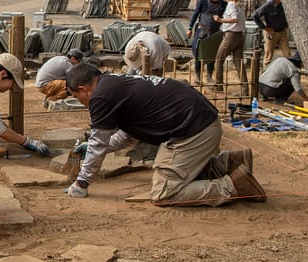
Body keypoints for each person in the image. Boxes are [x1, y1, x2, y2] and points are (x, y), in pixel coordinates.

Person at [63, 63, 266, 205]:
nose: (81, 102)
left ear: (83, 89)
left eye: (76, 97)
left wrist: (82, 183)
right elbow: (128, 135)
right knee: (182, 172)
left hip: (192, 132)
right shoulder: (113, 83)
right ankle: (230, 163)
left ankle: (234, 187)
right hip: (202, 124)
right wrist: (95, 148)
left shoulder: (100, 97)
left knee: (165, 193)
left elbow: (99, 143)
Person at [187, 0, 227, 84]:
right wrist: (190, 28)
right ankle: (197, 77)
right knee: (198, 54)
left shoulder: (223, 4)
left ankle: (209, 76)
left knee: (211, 55)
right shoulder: (203, 1)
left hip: (214, 33)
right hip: (202, 31)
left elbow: (226, 17)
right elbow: (195, 14)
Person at [212, 0, 248, 95]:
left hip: (231, 35)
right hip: (239, 35)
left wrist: (221, 20)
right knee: (239, 63)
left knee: (219, 58)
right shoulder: (239, 5)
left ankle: (219, 85)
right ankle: (245, 90)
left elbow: (235, 19)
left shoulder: (232, 5)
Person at [252, 0, 291, 68]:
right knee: (268, 55)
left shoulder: (283, 5)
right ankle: (265, 73)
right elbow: (255, 15)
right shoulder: (268, 6)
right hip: (271, 33)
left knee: (288, 55)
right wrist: (264, 28)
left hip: (282, 32)